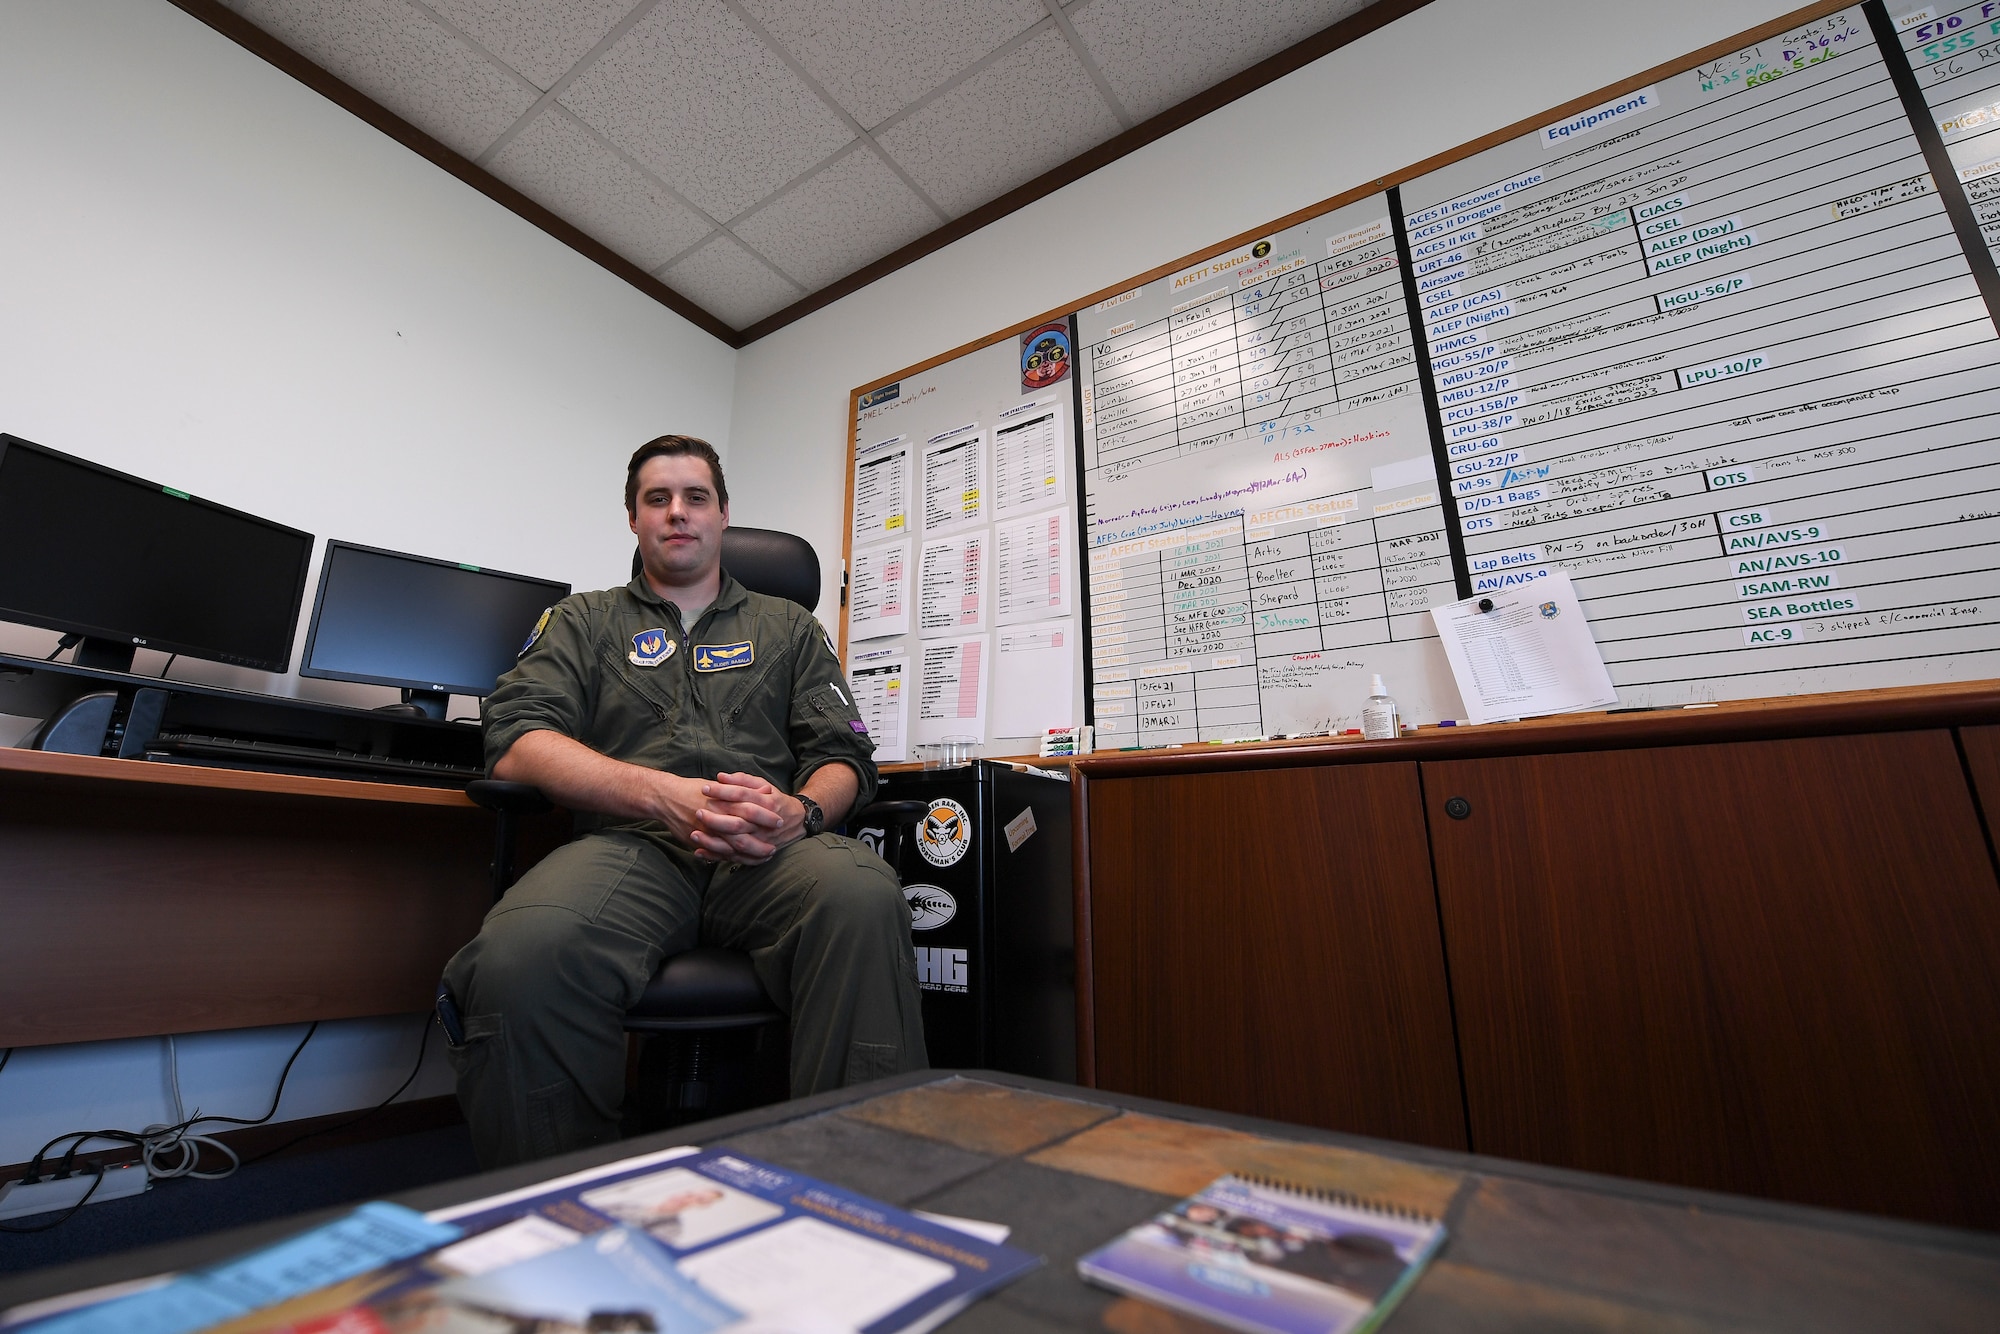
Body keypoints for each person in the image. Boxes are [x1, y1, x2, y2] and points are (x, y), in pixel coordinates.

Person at [441, 434, 926, 1167]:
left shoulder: (789, 628)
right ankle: (554, 1204)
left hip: (771, 855)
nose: (678, 513)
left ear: (723, 514)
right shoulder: (584, 620)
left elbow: (846, 756)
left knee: (861, 895)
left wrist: (802, 813)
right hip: (629, 848)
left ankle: (857, 1179)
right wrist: (655, 793)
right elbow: (517, 738)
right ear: (633, 519)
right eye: (656, 499)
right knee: (521, 953)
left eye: (695, 497)